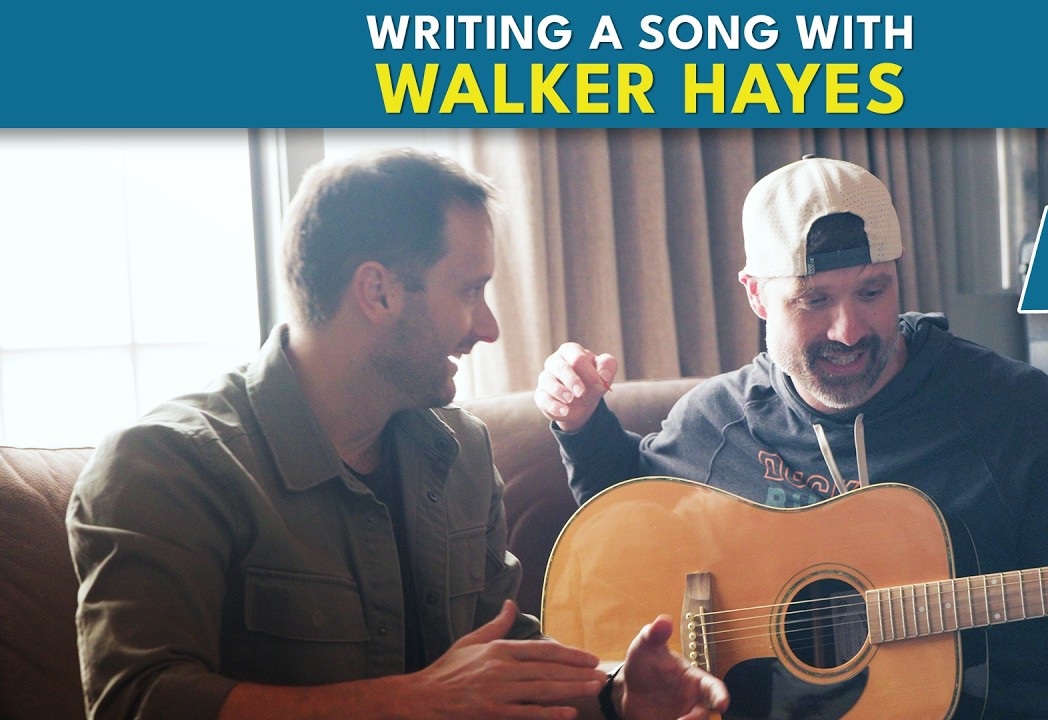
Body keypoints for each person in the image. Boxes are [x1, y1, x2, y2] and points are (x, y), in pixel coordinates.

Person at [535, 156, 1048, 718]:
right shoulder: (717, 423)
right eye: (813, 300)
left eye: (872, 290)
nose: (849, 329)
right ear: (756, 294)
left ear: (898, 274)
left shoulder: (1009, 410)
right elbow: (617, 535)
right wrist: (579, 424)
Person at [66, 148, 729, 720]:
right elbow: (137, 702)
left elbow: (491, 670)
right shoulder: (162, 465)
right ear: (378, 292)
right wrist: (410, 702)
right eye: (470, 290)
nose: (489, 328)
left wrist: (615, 697)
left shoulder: (462, 452)